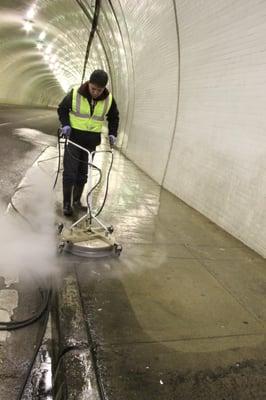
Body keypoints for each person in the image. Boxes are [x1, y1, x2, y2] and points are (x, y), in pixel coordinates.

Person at [57, 69, 119, 216]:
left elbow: (114, 117)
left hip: (91, 143)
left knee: (83, 174)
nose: (96, 92)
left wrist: (112, 133)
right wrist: (65, 124)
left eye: (99, 90)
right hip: (74, 141)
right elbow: (62, 109)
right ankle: (67, 204)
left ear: (104, 88)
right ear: (89, 83)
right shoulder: (75, 94)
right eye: (93, 88)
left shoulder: (109, 99)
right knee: (70, 173)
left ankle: (77, 201)